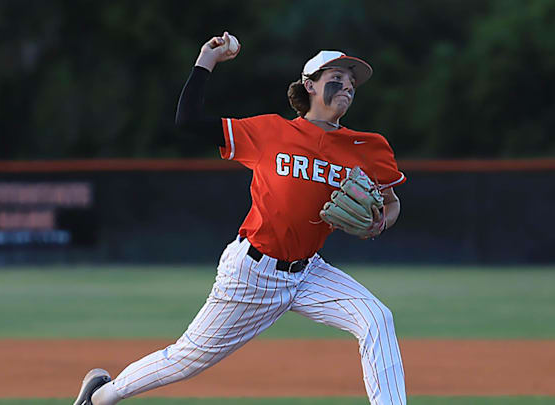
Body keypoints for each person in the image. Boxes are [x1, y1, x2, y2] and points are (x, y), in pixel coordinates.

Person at [73, 31, 407, 405]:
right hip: (253, 272)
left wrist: (382, 222)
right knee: (189, 358)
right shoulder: (270, 131)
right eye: (338, 77)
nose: (348, 84)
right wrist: (206, 61)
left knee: (376, 319)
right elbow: (188, 122)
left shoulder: (368, 146)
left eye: (352, 81)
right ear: (310, 85)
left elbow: (391, 204)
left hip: (310, 272)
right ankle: (102, 396)